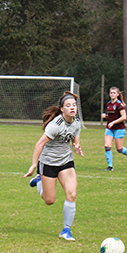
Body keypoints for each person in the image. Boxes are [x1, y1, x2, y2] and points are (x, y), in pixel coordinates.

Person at [24, 91, 84, 241]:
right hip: (48, 163)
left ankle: (66, 230)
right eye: (68, 105)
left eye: (74, 105)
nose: (72, 108)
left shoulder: (77, 123)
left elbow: (75, 143)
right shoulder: (55, 125)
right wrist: (33, 165)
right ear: (62, 109)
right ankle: (39, 181)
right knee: (49, 200)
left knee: (72, 194)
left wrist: (76, 148)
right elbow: (39, 145)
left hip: (66, 162)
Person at [101, 86, 127, 171]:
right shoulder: (108, 104)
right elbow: (112, 116)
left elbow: (124, 117)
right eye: (111, 93)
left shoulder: (119, 104)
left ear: (117, 94)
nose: (112, 94)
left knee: (119, 149)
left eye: (114, 93)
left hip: (119, 128)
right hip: (109, 128)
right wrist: (106, 116)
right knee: (107, 147)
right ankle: (110, 166)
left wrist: (113, 122)